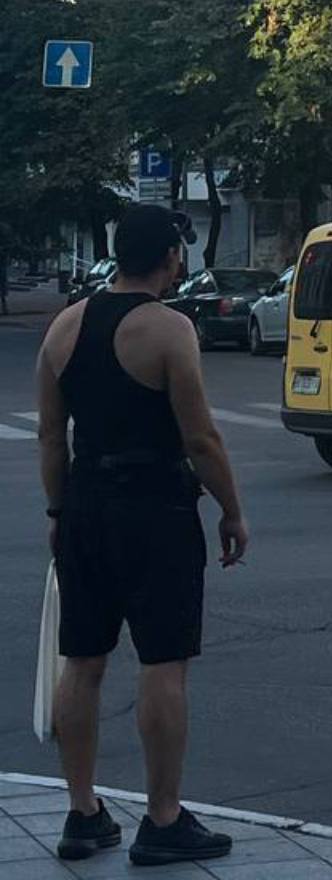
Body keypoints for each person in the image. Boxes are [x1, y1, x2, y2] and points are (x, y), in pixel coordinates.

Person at [35, 204, 249, 866]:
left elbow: (51, 436)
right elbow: (200, 437)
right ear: (170, 259)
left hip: (84, 508)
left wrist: (58, 512)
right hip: (155, 509)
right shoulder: (168, 329)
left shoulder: (64, 326)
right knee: (163, 662)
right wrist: (232, 510)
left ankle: (82, 813)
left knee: (82, 661)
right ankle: (162, 818)